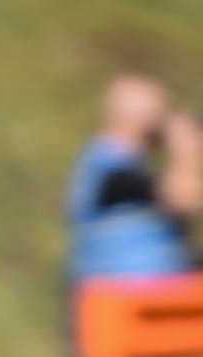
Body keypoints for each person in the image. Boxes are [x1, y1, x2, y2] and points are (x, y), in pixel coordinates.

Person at [66, 75, 201, 281]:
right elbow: (183, 198)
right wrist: (185, 150)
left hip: (146, 290)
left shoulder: (118, 163)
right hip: (125, 292)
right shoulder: (110, 166)